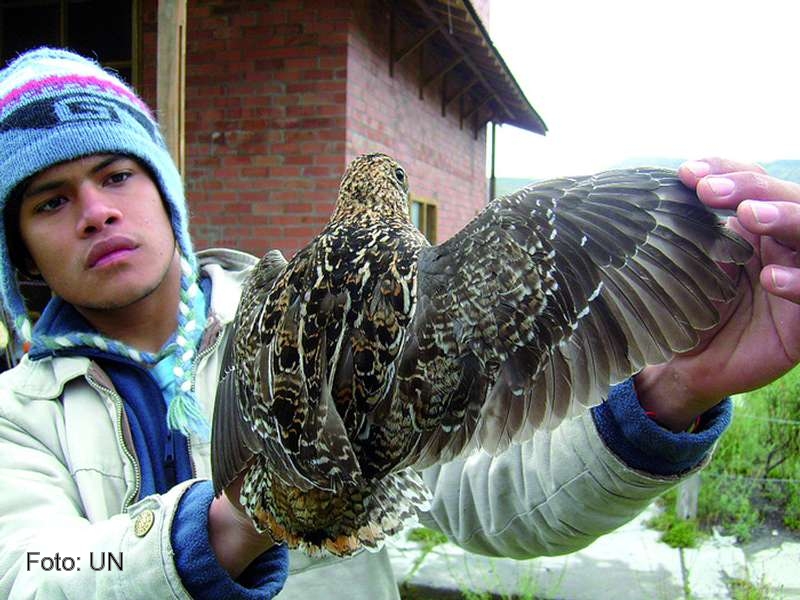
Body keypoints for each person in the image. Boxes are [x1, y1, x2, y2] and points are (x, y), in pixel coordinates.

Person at [1, 47, 799, 600]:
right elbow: (28, 580)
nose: (98, 212)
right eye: (51, 200)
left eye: (115, 174)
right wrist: (229, 523)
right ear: (21, 250)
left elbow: (495, 497)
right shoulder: (15, 418)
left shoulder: (264, 307)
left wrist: (677, 386)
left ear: (163, 191)